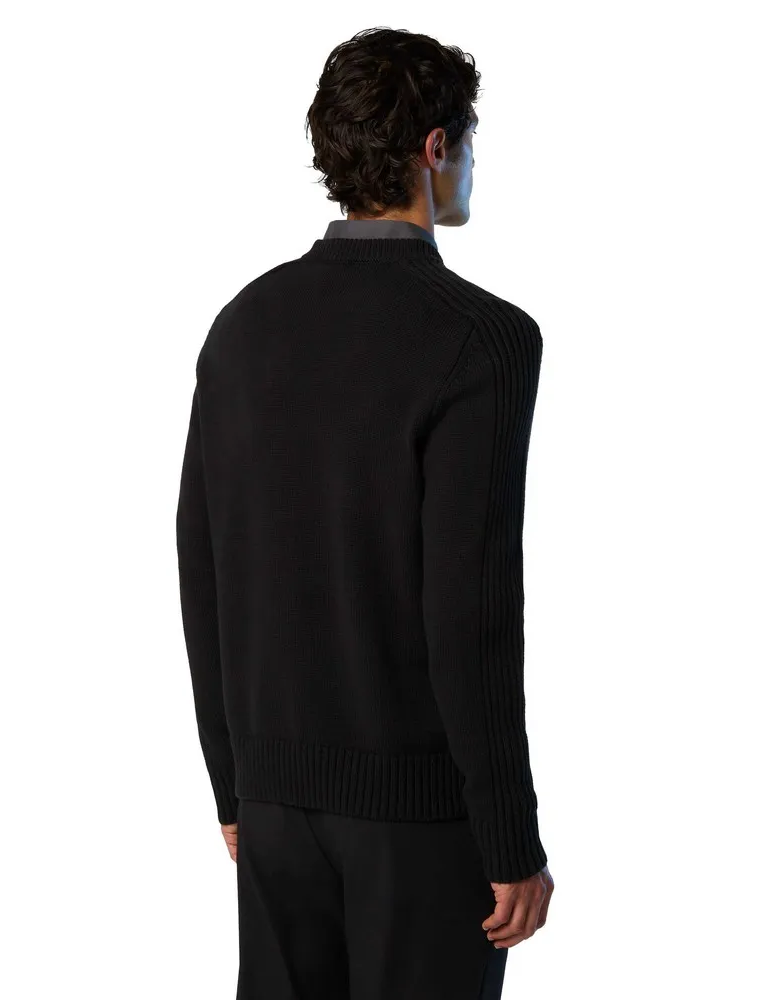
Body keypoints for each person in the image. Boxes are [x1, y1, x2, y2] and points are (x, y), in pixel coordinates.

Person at [176, 26, 554, 1000]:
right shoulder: (483, 341)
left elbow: (200, 563)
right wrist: (510, 837)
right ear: (436, 147)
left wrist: (234, 784)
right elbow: (469, 613)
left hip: (273, 808)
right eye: (468, 139)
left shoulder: (242, 326)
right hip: (420, 821)